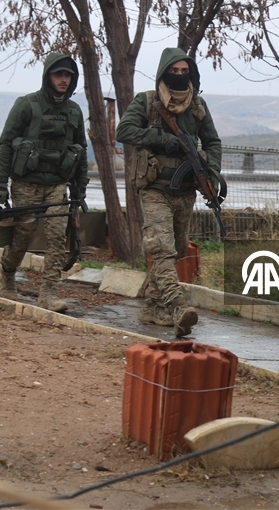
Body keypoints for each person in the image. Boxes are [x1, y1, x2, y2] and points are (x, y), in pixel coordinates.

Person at [115, 47, 222, 338]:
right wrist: (162, 139)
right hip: (155, 189)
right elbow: (123, 130)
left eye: (184, 71)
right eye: (173, 71)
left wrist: (210, 171)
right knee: (162, 249)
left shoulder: (197, 105)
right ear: (164, 73)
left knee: (177, 248)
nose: (179, 76)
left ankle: (152, 306)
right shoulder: (148, 101)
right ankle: (177, 306)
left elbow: (212, 142)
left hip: (185, 189)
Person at [0, 52, 88, 313]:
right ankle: (7, 271)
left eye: (68, 75)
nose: (64, 80)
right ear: (48, 76)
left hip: (57, 184)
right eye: (58, 75)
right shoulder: (26, 105)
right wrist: (0, 184)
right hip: (26, 183)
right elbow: (5, 145)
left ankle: (48, 293)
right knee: (24, 234)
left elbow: (80, 149)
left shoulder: (74, 111)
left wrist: (80, 188)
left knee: (57, 237)